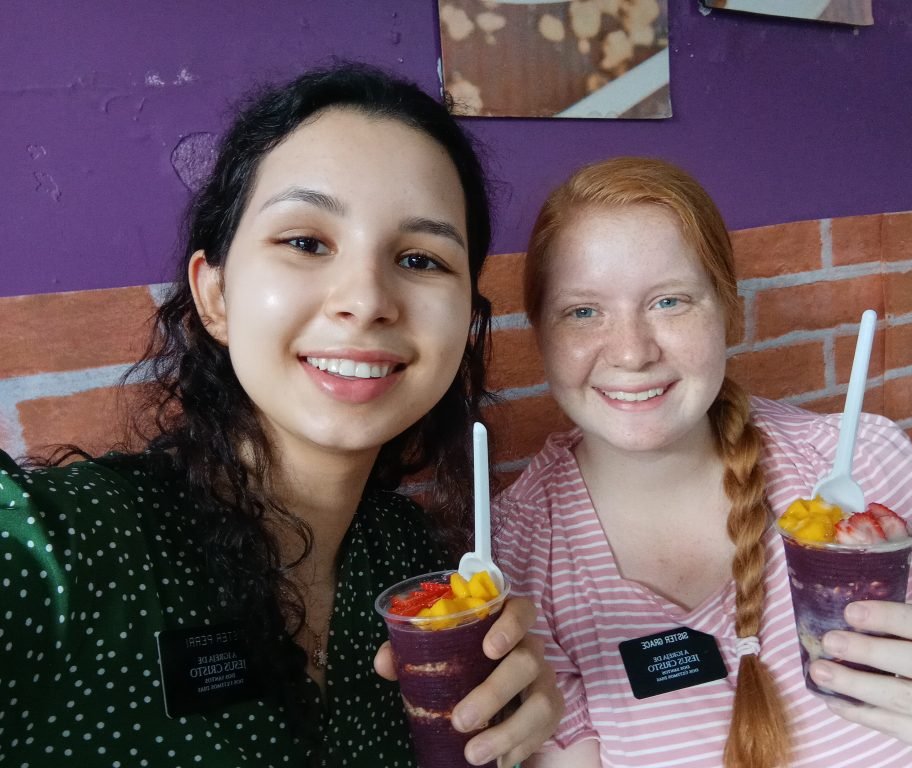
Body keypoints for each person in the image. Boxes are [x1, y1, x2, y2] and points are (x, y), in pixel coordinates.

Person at [0, 62, 562, 767]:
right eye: (305, 242)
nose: (366, 300)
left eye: (421, 259)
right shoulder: (61, 552)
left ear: (466, 324)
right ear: (215, 296)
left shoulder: (411, 561)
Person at [493, 156, 912, 768]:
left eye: (669, 301)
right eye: (583, 311)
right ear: (541, 335)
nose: (632, 353)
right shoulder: (516, 551)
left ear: (730, 313)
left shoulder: (866, 467)